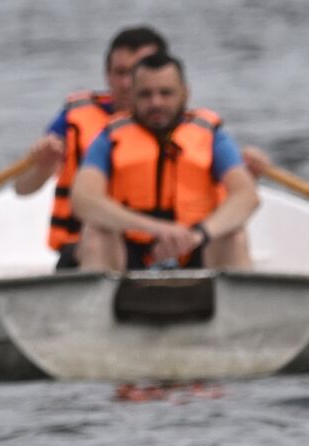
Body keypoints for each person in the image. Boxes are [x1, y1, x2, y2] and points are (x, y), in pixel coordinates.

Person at [71, 53, 259, 272]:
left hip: (195, 247)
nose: (156, 103)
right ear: (132, 97)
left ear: (185, 93)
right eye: (146, 95)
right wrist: (157, 229)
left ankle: (233, 304)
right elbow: (83, 199)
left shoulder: (212, 137)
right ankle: (98, 304)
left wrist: (198, 234)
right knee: (96, 233)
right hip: (131, 252)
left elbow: (247, 196)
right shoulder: (109, 138)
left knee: (233, 235)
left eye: (166, 93)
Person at [14, 25, 170, 271]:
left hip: (168, 249)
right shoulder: (76, 118)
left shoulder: (188, 126)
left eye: (137, 72)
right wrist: (42, 168)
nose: (127, 83)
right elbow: (22, 187)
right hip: (88, 248)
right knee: (100, 234)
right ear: (107, 75)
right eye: (120, 72)